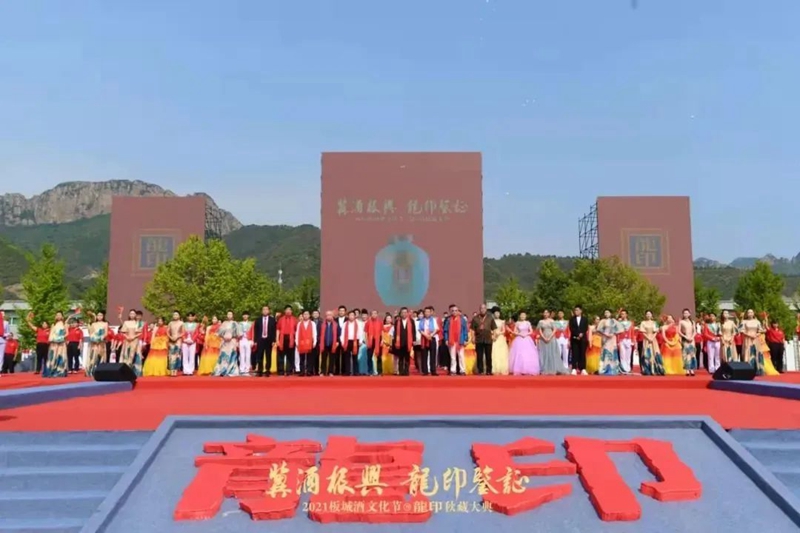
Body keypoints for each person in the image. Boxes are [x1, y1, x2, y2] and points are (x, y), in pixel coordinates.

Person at [508, 311, 540, 375]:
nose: (522, 316)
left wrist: (526, 334)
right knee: (519, 354)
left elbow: (531, 331)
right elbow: (514, 331)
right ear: (520, 316)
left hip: (527, 339)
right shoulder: (517, 323)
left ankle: (528, 368)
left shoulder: (528, 323)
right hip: (519, 339)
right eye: (521, 315)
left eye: (524, 315)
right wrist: (520, 334)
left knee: (527, 353)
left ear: (525, 316)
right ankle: (519, 369)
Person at [538, 309, 568, 375]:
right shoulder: (540, 321)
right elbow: (540, 331)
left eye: (547, 313)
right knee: (545, 353)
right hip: (543, 338)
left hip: (551, 338)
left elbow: (554, 330)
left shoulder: (552, 321)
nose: (545, 314)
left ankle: (554, 368)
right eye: (544, 313)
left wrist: (549, 337)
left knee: (552, 353)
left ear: (549, 314)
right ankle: (545, 368)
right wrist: (544, 337)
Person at [471, 303, 496, 375]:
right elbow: (472, 329)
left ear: (486, 309)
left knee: (488, 356)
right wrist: (473, 337)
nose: (483, 310)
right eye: (481, 308)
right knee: (479, 356)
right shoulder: (475, 318)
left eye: (484, 308)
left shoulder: (490, 318)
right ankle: (480, 370)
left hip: (488, 339)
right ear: (479, 309)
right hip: (479, 339)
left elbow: (494, 328)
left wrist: (494, 336)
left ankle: (489, 371)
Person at [252, 306, 276, 377]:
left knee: (268, 355)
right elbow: (256, 331)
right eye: (264, 309)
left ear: (269, 311)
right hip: (260, 340)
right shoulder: (258, 320)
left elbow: (274, 331)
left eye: (266, 309)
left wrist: (273, 340)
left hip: (269, 340)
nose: (265, 311)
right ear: (262, 311)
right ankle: (260, 370)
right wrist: (255, 340)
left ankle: (267, 370)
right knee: (260, 355)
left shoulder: (272, 320)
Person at [444, 305, 468, 376]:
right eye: (453, 311)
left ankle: (462, 370)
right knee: (453, 357)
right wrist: (446, 339)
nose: (454, 312)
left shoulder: (462, 320)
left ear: (458, 311)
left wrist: (465, 339)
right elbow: (445, 331)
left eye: (456, 311)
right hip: (451, 341)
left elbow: (465, 330)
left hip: (460, 340)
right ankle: (453, 370)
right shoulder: (448, 320)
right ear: (451, 312)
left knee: (461, 356)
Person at [392, 307, 417, 376]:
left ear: (407, 313)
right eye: (402, 312)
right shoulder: (397, 321)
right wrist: (395, 341)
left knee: (407, 357)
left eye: (405, 312)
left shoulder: (411, 321)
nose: (404, 314)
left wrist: (414, 340)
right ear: (400, 313)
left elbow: (413, 331)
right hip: (399, 342)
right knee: (400, 357)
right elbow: (395, 332)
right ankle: (401, 371)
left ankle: (406, 371)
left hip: (408, 342)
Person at [214, 311, 240, 376]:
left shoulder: (235, 323)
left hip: (232, 341)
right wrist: (224, 337)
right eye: (228, 314)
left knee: (232, 356)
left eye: (231, 314)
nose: (229, 315)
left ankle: (231, 371)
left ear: (233, 315)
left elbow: (238, 334)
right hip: (225, 342)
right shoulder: (224, 323)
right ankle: (222, 370)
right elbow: (219, 333)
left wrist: (232, 337)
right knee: (224, 356)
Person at [44, 310, 70, 378]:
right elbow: (51, 334)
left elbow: (67, 333)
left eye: (59, 315)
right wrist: (51, 339)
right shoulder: (53, 325)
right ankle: (51, 370)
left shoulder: (65, 325)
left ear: (62, 316)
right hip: (54, 343)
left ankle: (60, 371)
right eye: (57, 315)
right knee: (53, 356)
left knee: (60, 356)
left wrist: (62, 337)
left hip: (61, 343)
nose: (58, 316)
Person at [638, 311, 664, 375]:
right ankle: (647, 370)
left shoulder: (655, 323)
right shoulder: (643, 323)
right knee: (647, 354)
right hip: (646, 340)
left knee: (655, 353)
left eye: (649, 314)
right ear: (645, 315)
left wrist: (652, 338)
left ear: (652, 315)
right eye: (647, 314)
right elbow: (642, 332)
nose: (648, 315)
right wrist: (648, 338)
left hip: (653, 340)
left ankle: (656, 369)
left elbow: (656, 332)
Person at [118, 309, 143, 376]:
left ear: (135, 315)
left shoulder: (138, 323)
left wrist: (134, 337)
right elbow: (123, 332)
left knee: (134, 355)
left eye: (133, 314)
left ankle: (135, 372)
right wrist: (127, 337)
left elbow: (140, 332)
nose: (132, 315)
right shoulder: (126, 322)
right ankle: (125, 371)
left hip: (135, 341)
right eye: (131, 313)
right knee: (126, 354)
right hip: (127, 341)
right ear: (129, 315)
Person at [85, 310, 109, 376]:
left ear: (103, 316)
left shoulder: (105, 323)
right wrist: (93, 338)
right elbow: (91, 333)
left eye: (101, 315)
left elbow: (106, 333)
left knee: (101, 356)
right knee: (93, 356)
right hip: (94, 343)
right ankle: (92, 370)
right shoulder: (93, 324)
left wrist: (101, 338)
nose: (99, 317)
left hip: (101, 342)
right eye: (98, 315)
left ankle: (101, 371)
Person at [276, 306, 298, 376]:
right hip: (282, 338)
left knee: (290, 356)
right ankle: (281, 371)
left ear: (291, 311)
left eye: (289, 310)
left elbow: (297, 331)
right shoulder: (281, 319)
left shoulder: (295, 319)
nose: (288, 311)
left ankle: (289, 371)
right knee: (280, 356)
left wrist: (296, 340)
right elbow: (278, 330)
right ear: (284, 311)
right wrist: (277, 339)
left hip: (291, 339)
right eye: (287, 310)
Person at [295, 310, 317, 376]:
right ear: (302, 315)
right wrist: (296, 342)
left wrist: (314, 341)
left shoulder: (312, 323)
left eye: (307, 314)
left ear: (309, 315)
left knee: (310, 358)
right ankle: (302, 371)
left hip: (309, 342)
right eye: (304, 314)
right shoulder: (299, 324)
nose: (306, 315)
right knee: (302, 358)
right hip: (301, 342)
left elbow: (314, 333)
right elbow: (297, 333)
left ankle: (309, 371)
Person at [418, 307, 439, 375]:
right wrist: (426, 335)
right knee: (424, 355)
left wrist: (430, 335)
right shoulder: (422, 320)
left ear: (430, 313)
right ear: (424, 313)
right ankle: (425, 371)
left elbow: (436, 329)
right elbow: (420, 330)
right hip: (424, 339)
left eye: (428, 312)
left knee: (433, 355)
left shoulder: (433, 320)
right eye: (426, 312)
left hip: (432, 338)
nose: (427, 313)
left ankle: (433, 371)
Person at [569, 306, 589, 375]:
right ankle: (574, 368)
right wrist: (577, 334)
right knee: (574, 353)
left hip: (583, 339)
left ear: (581, 311)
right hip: (574, 338)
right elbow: (571, 328)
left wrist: (582, 334)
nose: (576, 311)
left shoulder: (585, 319)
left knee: (582, 353)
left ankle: (583, 368)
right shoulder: (572, 319)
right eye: (575, 310)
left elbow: (585, 328)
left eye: (577, 310)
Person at [340, 310, 362, 376]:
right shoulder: (345, 324)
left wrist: (360, 341)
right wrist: (342, 342)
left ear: (355, 316)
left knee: (355, 357)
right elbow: (342, 334)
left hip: (355, 341)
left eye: (352, 315)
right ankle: (347, 371)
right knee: (347, 357)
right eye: (350, 315)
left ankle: (356, 372)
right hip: (347, 341)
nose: (351, 316)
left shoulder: (358, 323)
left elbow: (360, 333)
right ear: (348, 316)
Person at [319, 311, 339, 377]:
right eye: (328, 315)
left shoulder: (336, 325)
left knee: (332, 359)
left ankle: (331, 371)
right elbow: (319, 334)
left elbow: (339, 334)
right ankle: (323, 371)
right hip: (324, 344)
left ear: (332, 316)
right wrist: (320, 342)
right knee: (323, 358)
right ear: (326, 316)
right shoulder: (322, 324)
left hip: (332, 344)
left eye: (330, 315)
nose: (329, 316)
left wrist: (337, 341)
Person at [364, 310, 383, 376]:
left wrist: (382, 340)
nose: (374, 315)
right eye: (372, 313)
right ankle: (370, 371)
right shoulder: (368, 322)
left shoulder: (380, 322)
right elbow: (366, 332)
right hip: (370, 340)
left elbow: (382, 331)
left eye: (375, 313)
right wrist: (366, 341)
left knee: (379, 357)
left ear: (377, 314)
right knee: (369, 357)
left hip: (378, 340)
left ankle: (380, 372)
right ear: (370, 315)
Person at [490, 307, 509, 375]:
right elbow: (490, 329)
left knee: (501, 353)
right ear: (493, 314)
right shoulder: (491, 321)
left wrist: (499, 333)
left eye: (498, 313)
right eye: (496, 313)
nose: (497, 314)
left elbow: (504, 330)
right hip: (494, 338)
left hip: (500, 338)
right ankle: (494, 368)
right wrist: (493, 334)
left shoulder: (502, 321)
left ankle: (502, 368)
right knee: (494, 352)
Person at [679, 309, 697, 376]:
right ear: (683, 314)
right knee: (686, 354)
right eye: (684, 313)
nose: (686, 314)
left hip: (692, 340)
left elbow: (695, 331)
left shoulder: (692, 322)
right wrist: (685, 337)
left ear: (689, 314)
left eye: (687, 313)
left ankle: (692, 369)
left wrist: (692, 337)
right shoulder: (681, 322)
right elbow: (679, 331)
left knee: (692, 354)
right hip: (685, 340)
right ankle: (687, 369)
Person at [616, 309, 635, 374]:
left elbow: (632, 332)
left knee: (628, 355)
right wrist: (617, 341)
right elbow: (617, 333)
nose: (623, 315)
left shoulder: (631, 323)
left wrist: (632, 341)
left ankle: (628, 369)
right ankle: (623, 369)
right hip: (621, 340)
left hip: (628, 339)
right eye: (621, 314)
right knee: (622, 355)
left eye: (624, 314)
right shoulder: (619, 323)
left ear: (626, 315)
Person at [167, 311, 185, 377]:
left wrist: (177, 337)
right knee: (171, 356)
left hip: (178, 340)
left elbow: (183, 332)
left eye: (176, 314)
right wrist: (170, 337)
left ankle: (175, 371)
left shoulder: (181, 323)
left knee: (177, 355)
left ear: (179, 316)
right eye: (174, 314)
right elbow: (167, 332)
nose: (175, 316)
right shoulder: (170, 323)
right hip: (171, 340)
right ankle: (171, 371)